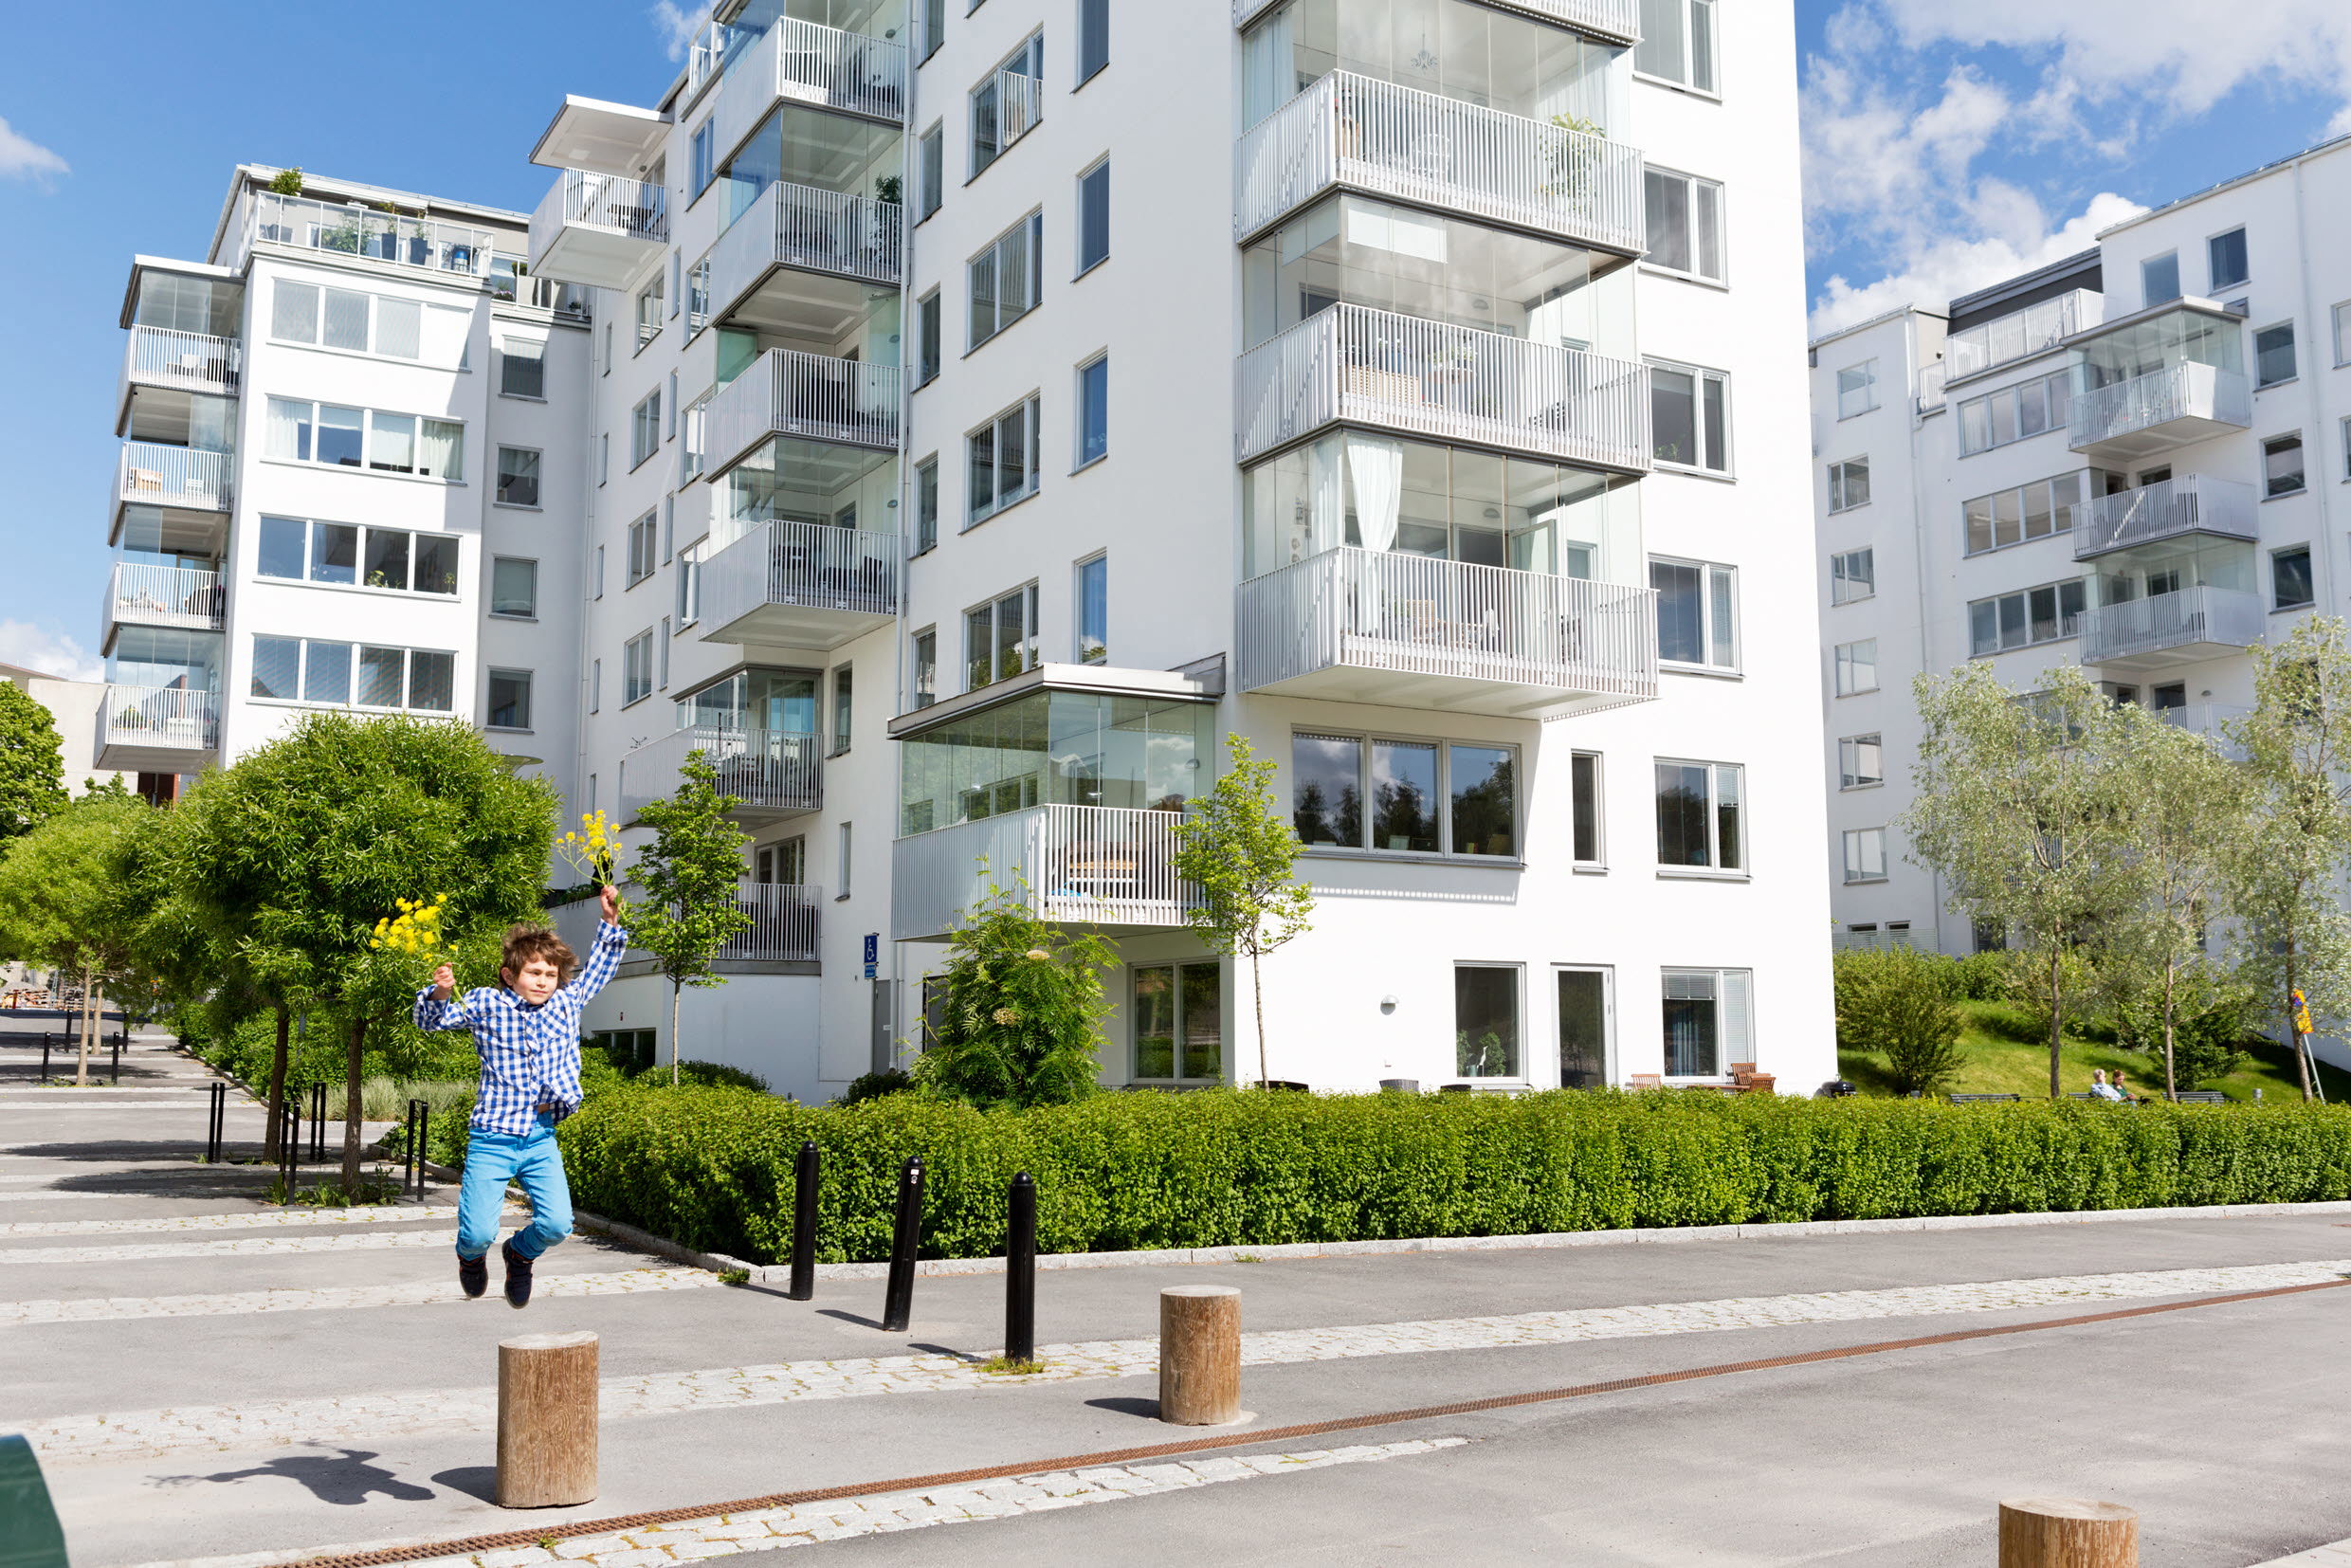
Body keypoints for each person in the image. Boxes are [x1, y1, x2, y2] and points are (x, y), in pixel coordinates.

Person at [413, 885, 625, 1307]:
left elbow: (601, 968)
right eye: (534, 974)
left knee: (558, 1225)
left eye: (550, 975)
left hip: (541, 1137)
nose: (543, 982)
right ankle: (469, 1258)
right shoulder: (485, 1004)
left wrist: (610, 922)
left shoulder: (568, 1002)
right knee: (476, 1234)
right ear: (511, 976)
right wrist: (439, 991)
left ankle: (519, 1254)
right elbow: (431, 1022)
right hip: (492, 1137)